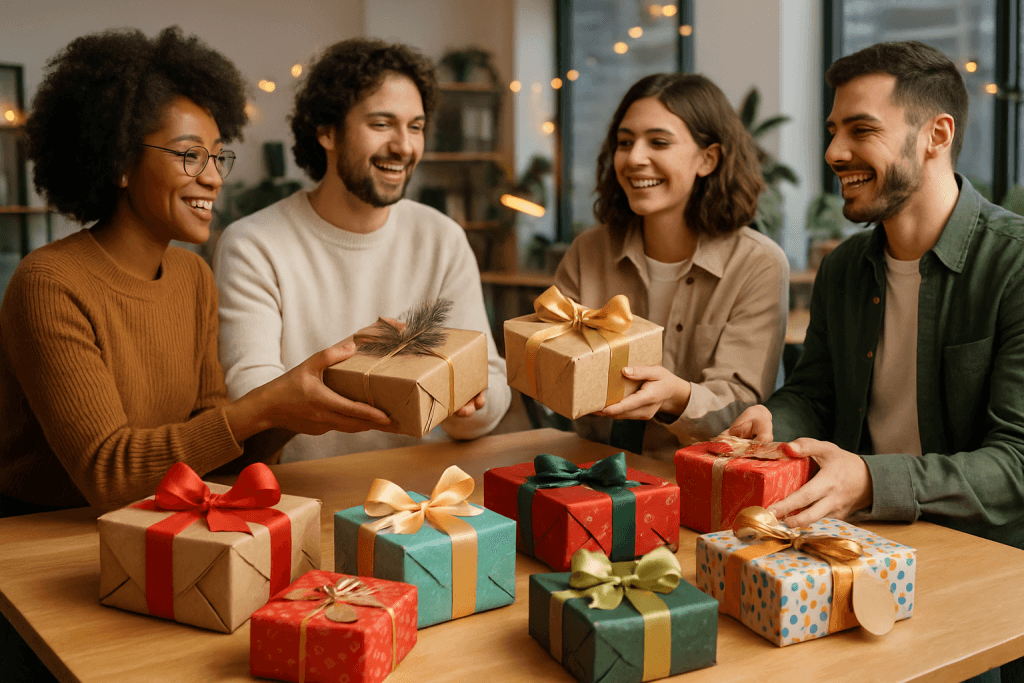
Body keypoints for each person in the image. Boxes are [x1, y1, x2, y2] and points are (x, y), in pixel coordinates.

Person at [0, 27, 392, 518]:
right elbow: (108, 474)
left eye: (217, 157)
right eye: (190, 156)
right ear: (121, 162)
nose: (212, 177)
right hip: (41, 535)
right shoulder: (49, 283)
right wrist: (266, 404)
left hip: (154, 523)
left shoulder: (192, 276)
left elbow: (213, 453)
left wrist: (317, 392)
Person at [727, 41, 1024, 556]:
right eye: (833, 131)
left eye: (861, 130)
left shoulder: (1013, 264)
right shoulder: (843, 268)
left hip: (984, 556)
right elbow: (814, 394)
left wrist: (869, 480)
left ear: (937, 135)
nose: (833, 152)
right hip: (856, 542)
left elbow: (1016, 462)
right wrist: (775, 422)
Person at [214, 38, 511, 462]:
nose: (404, 146)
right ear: (327, 131)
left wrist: (465, 404)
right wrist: (359, 367)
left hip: (428, 490)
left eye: (415, 127)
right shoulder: (253, 244)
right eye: (381, 124)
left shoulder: (442, 238)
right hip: (307, 490)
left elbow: (490, 388)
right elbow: (254, 401)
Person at [553, 72, 789, 461]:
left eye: (658, 142)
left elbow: (742, 407)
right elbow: (555, 370)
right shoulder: (587, 251)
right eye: (625, 142)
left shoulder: (758, 263)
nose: (634, 158)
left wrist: (676, 396)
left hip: (696, 477)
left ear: (708, 159)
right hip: (588, 468)